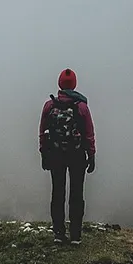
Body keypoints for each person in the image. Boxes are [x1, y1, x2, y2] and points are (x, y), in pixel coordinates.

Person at [39, 68, 96, 244]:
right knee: (76, 194)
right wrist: (91, 155)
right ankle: (75, 236)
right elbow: (89, 134)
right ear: (74, 84)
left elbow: (43, 131)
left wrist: (44, 153)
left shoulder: (50, 106)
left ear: (59, 84)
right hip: (77, 155)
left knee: (58, 193)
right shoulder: (81, 107)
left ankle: (58, 233)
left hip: (55, 155)